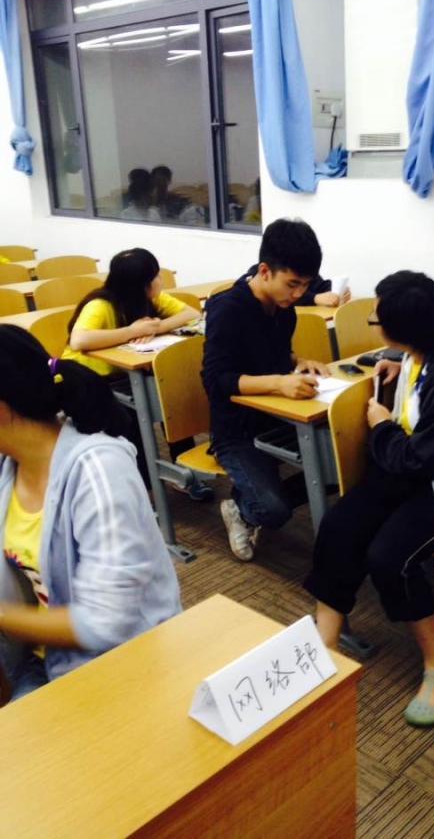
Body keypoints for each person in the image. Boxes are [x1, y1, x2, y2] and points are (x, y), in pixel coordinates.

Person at [303, 271, 434, 727]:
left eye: (376, 319)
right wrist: (402, 363)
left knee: (390, 557)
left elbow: (420, 462)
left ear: (404, 329)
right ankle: (325, 645)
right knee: (341, 525)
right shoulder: (428, 350)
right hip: (425, 466)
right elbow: (419, 439)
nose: (373, 323)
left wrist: (381, 425)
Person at [0, 326, 181, 704]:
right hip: (45, 657)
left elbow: (104, 623)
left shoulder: (98, 470)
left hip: (120, 664)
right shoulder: (9, 463)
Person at [202, 218, 329, 562]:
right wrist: (279, 382)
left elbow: (273, 352)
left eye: (305, 285)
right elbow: (215, 380)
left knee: (335, 467)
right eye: (292, 284)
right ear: (264, 271)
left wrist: (298, 361)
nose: (298, 294)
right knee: (273, 511)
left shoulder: (284, 310)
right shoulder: (227, 309)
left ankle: (256, 491)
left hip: (275, 416)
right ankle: (238, 509)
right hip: (236, 430)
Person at [61, 247, 211, 499]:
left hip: (125, 372)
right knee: (130, 417)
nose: (160, 280)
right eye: (155, 276)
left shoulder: (151, 299)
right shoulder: (100, 304)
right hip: (90, 379)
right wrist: (131, 331)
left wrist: (155, 327)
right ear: (140, 283)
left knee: (171, 395)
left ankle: (184, 470)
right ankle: (143, 488)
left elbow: (192, 314)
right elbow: (79, 340)